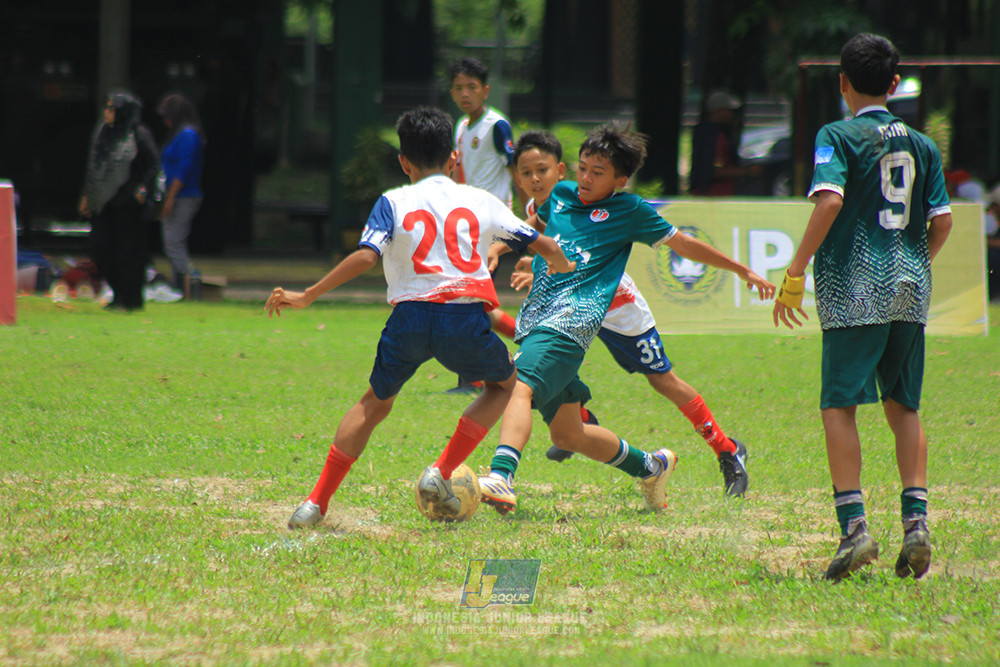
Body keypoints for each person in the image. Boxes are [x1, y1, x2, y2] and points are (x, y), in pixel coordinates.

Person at [264, 106, 575, 529]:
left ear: (404, 162)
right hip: (463, 319)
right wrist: (565, 268)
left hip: (408, 319)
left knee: (374, 404)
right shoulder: (480, 199)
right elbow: (543, 245)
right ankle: (442, 472)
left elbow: (364, 257)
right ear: (454, 158)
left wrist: (309, 295)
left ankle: (315, 504)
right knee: (506, 387)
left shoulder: (392, 200)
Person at [476, 124, 775, 515]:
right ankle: (637, 458)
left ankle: (727, 449)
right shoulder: (561, 196)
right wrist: (503, 248)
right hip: (562, 311)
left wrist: (741, 270)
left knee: (660, 379)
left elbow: (683, 243)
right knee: (566, 433)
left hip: (614, 305)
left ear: (620, 180)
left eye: (596, 173)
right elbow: (542, 231)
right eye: (582, 168)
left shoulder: (630, 211)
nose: (584, 178)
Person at [773, 33, 953, 582]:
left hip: (854, 287)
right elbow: (941, 221)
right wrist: (917, 264)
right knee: (904, 405)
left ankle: (855, 529)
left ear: (843, 82)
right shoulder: (923, 145)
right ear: (894, 85)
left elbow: (830, 200)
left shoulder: (837, 134)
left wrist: (796, 269)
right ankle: (916, 523)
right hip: (910, 286)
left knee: (839, 406)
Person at [447, 56, 525, 386]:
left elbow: (515, 170)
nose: (465, 94)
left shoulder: (497, 125)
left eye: (472, 87)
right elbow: (461, 174)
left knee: (471, 297)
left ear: (485, 90)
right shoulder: (462, 128)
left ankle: (476, 376)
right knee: (475, 299)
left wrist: (530, 214)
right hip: (468, 222)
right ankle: (526, 343)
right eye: (459, 88)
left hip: (490, 222)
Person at [79, 91, 161, 312]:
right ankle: (116, 292)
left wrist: (142, 190)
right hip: (103, 203)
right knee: (100, 247)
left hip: (129, 205)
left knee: (129, 253)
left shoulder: (139, 134)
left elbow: (153, 165)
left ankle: (130, 299)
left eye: (111, 108)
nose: (106, 113)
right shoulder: (102, 133)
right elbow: (94, 166)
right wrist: (87, 195)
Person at [156, 93, 205, 297]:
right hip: (175, 195)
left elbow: (184, 169)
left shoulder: (187, 135)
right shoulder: (180, 134)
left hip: (183, 196)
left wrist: (170, 197)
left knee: (174, 241)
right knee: (172, 241)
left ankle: (189, 281)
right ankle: (181, 281)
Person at [689, 90, 761, 196]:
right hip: (714, 195)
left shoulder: (702, 132)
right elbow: (716, 171)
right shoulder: (716, 137)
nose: (731, 115)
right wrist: (748, 171)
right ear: (719, 111)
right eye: (729, 110)